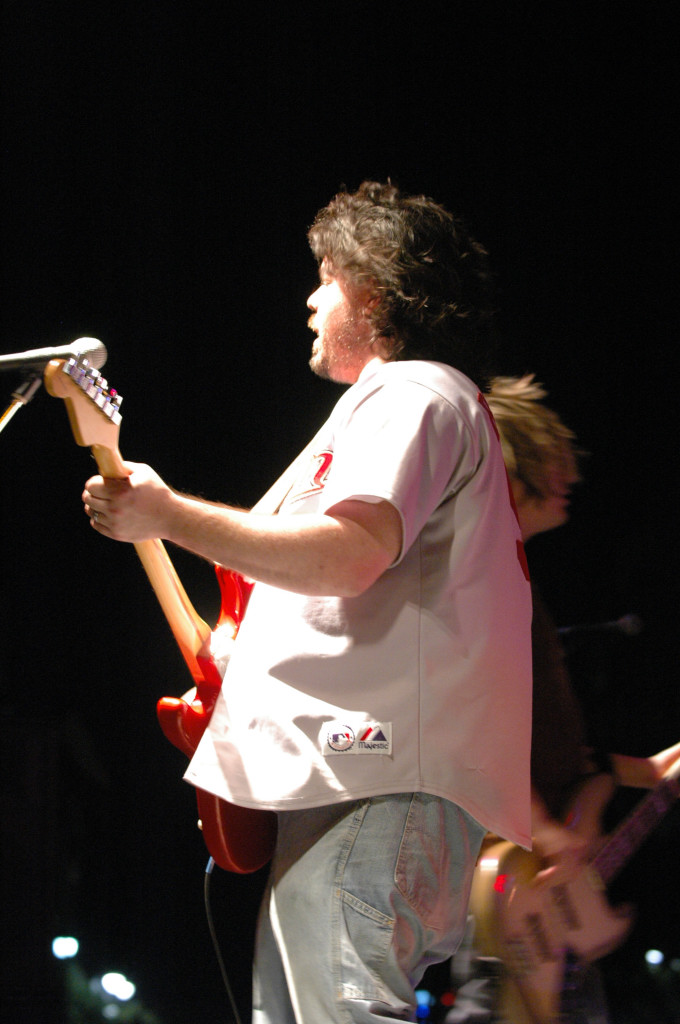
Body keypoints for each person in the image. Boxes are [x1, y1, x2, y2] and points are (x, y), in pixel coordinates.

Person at [81, 181, 533, 1024]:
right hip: (370, 780)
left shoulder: (414, 391)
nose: (311, 300)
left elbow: (349, 556)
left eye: (327, 278)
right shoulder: (408, 406)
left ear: (376, 290)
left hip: (383, 777)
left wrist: (168, 515)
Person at [446, 374, 680, 1024]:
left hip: (542, 895)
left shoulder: (514, 585)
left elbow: (545, 743)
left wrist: (647, 772)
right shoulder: (482, 581)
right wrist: (543, 827)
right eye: (550, 456)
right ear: (511, 468)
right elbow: (468, 722)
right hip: (513, 882)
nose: (570, 473)